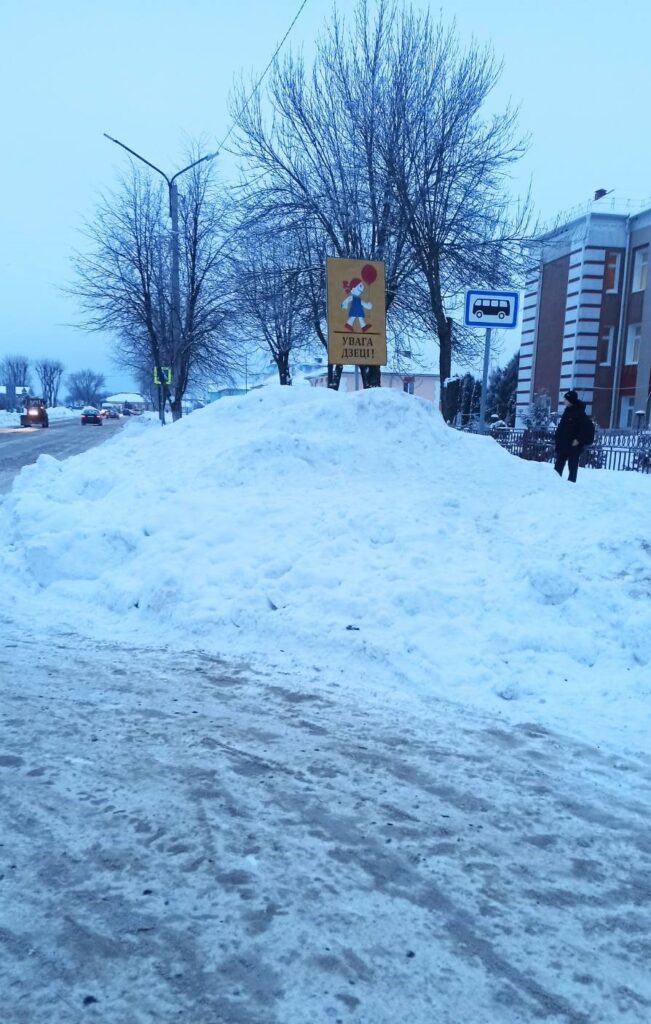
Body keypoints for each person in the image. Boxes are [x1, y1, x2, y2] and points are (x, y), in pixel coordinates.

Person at [554, 390, 587, 482]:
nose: (564, 401)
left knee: (572, 466)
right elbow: (562, 426)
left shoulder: (580, 412)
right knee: (558, 465)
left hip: (573, 445)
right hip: (563, 443)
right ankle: (555, 482)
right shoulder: (567, 411)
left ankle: (571, 484)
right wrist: (557, 436)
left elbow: (583, 428)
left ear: (571, 400)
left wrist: (578, 439)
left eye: (566, 399)